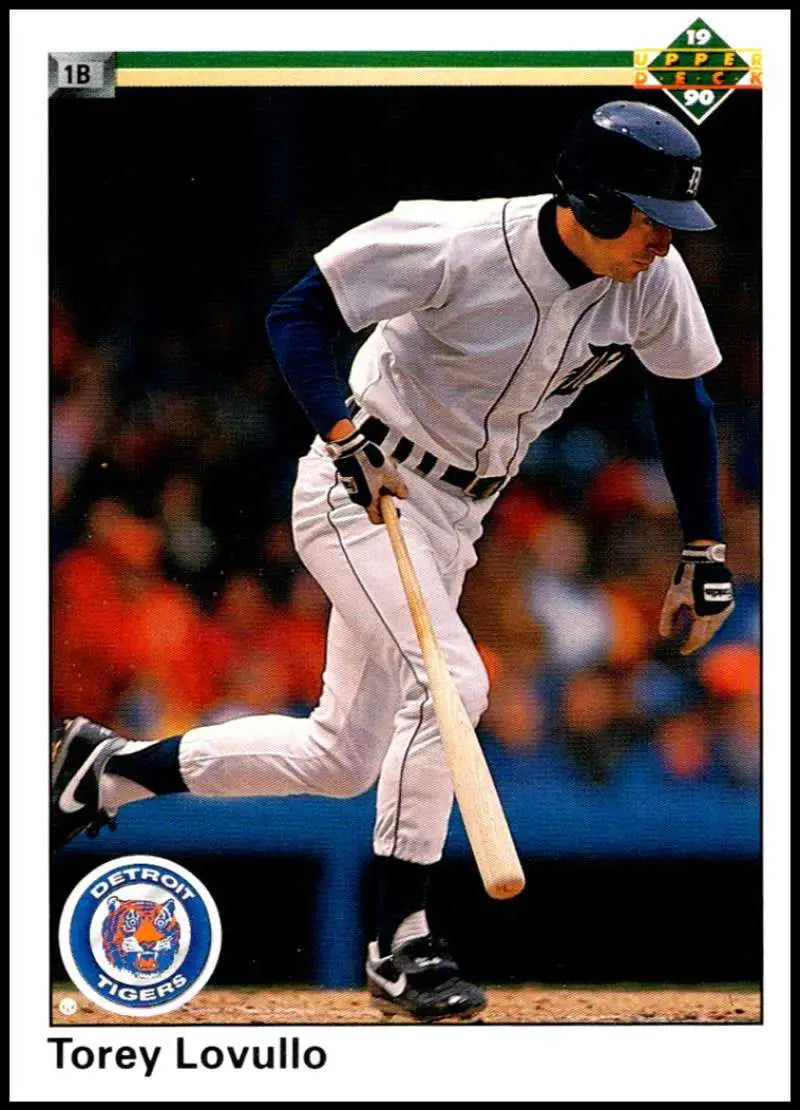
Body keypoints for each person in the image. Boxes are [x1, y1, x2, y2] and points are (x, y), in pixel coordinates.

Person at [51, 100, 735, 1022]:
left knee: (341, 756)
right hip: (363, 487)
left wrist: (703, 543)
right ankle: (400, 941)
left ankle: (110, 770)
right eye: (652, 217)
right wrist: (342, 433)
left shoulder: (652, 281)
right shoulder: (455, 241)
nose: (666, 240)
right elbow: (297, 312)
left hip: (459, 515)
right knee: (452, 682)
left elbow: (684, 401)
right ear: (595, 201)